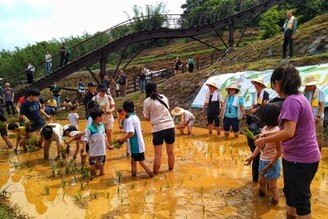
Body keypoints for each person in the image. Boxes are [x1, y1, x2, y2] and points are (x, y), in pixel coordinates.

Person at [254, 66, 320, 219]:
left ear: (278, 82)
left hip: (301, 159)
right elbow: (290, 131)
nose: (274, 88)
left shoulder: (292, 101)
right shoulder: (299, 98)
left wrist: (264, 140)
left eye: (274, 83)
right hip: (296, 158)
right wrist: (265, 136)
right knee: (290, 195)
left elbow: (288, 132)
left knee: (300, 200)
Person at [245, 103, 282, 205]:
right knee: (261, 182)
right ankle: (260, 203)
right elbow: (260, 145)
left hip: (272, 163)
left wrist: (270, 165)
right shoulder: (264, 129)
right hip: (262, 161)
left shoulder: (277, 131)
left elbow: (279, 151)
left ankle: (275, 202)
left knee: (273, 186)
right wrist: (252, 157)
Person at [143, 82, 175, 174]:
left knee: (158, 154)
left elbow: (146, 117)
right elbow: (167, 109)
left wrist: (153, 118)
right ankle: (171, 171)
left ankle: (155, 174)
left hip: (158, 128)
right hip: (170, 126)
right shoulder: (163, 97)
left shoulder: (147, 101)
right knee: (170, 152)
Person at [118, 100, 153, 177]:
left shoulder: (129, 120)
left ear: (124, 110)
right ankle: (133, 176)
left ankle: (151, 174)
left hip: (135, 145)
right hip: (137, 144)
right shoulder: (135, 117)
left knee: (141, 162)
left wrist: (123, 139)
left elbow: (131, 133)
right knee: (133, 161)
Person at [246, 78, 269, 182]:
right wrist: (252, 109)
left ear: (260, 85)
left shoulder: (265, 94)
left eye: (256, 84)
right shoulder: (254, 94)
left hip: (262, 116)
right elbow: (253, 104)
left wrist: (257, 109)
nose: (255, 86)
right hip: (254, 118)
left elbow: (264, 105)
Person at [81, 107, 111, 177]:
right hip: (93, 152)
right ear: (98, 117)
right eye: (102, 116)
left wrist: (108, 145)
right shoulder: (89, 128)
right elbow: (85, 139)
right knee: (93, 169)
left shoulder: (102, 126)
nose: (104, 117)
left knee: (102, 168)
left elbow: (104, 137)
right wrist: (84, 151)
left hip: (102, 151)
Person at [303, 76, 326, 151]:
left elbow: (322, 105)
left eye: (310, 85)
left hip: (317, 117)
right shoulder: (304, 92)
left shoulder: (320, 91)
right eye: (307, 85)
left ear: (313, 85)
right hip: (307, 118)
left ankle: (318, 151)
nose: (308, 87)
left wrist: (318, 117)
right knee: (308, 135)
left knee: (318, 135)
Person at [92, 83, 115, 149]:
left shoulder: (109, 97)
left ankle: (110, 146)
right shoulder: (95, 98)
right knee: (101, 134)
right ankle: (103, 147)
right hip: (100, 119)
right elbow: (93, 109)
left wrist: (110, 111)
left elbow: (113, 107)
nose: (104, 93)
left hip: (109, 118)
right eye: (102, 91)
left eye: (105, 91)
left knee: (109, 133)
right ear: (99, 90)